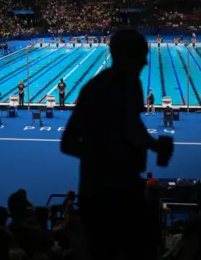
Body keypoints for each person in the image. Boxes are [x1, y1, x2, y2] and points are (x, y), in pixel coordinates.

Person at [61, 29, 174, 260]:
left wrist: (153, 145)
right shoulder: (95, 90)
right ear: (125, 56)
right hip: (100, 192)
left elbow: (133, 123)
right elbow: (68, 143)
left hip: (129, 185)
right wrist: (110, 156)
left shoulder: (133, 86)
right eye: (141, 55)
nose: (145, 61)